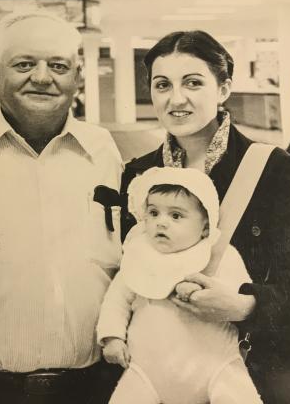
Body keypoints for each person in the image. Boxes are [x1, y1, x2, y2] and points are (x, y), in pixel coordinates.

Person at [120, 30, 290, 404]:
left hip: (255, 374)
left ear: (223, 89)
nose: (176, 99)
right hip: (163, 377)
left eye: (193, 83)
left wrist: (245, 305)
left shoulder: (275, 169)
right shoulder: (139, 176)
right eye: (162, 85)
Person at [0, 10, 124, 404]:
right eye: (24, 64)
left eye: (59, 65)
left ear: (78, 76)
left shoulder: (105, 152)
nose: (43, 77)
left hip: (95, 388)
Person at [98, 167, 261, 404]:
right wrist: (112, 337)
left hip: (214, 363)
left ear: (205, 226)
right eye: (153, 213)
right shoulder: (139, 256)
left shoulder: (222, 255)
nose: (161, 223)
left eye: (176, 216)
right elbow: (116, 300)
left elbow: (236, 293)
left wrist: (200, 289)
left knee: (238, 396)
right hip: (147, 368)